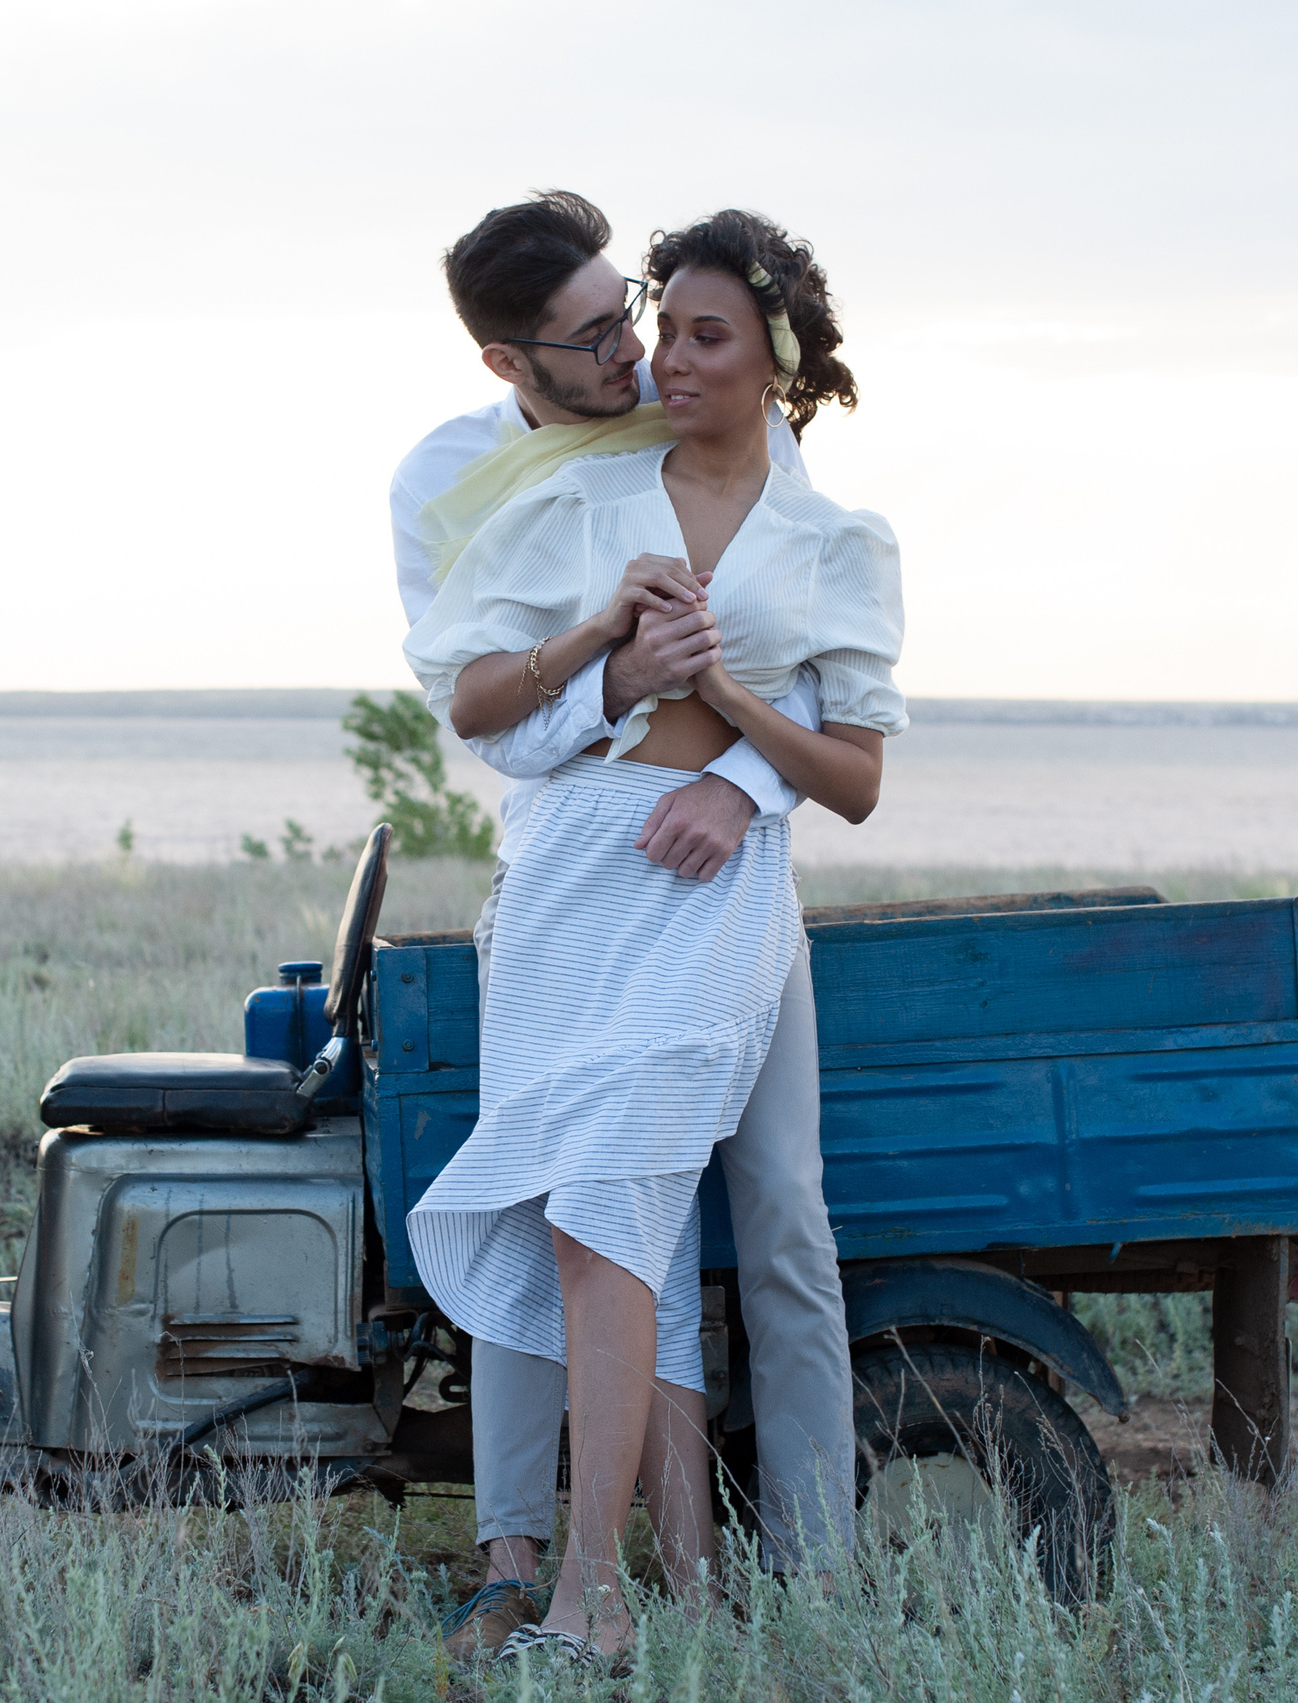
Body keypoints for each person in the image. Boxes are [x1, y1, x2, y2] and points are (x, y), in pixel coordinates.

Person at [403, 206, 906, 1665]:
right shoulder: (553, 497)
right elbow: (479, 703)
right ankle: (653, 1584)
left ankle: (600, 1593)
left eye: (693, 333)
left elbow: (855, 769)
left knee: (632, 1216)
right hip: (571, 873)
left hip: (711, 893)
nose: (656, 358)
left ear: (775, 359)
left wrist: (736, 739)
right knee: (594, 1227)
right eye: (638, 330)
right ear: (519, 356)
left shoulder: (835, 537)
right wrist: (616, 665)